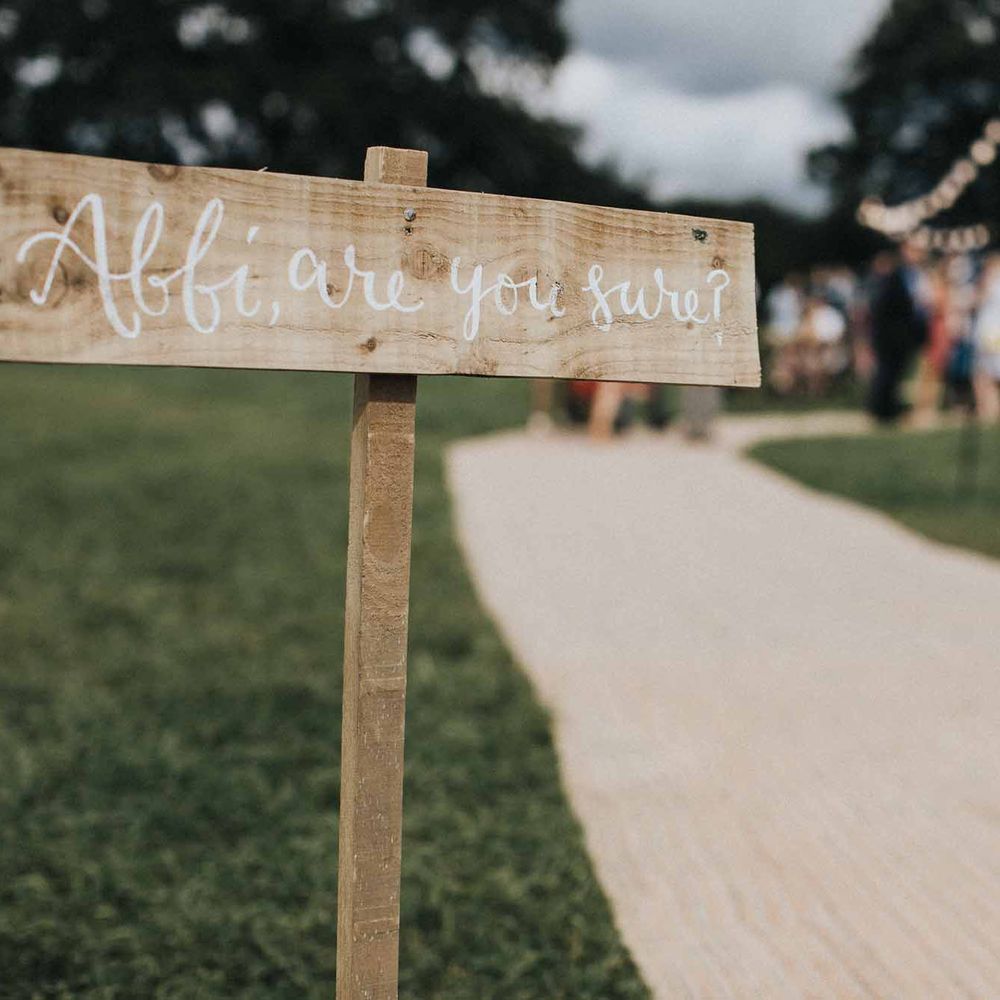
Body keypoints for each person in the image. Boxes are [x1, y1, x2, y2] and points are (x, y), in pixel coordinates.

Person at [867, 239, 932, 423]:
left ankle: (889, 408)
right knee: (887, 372)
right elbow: (885, 307)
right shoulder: (894, 275)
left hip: (906, 333)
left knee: (896, 373)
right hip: (891, 334)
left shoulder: (917, 275)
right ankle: (882, 410)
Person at [972, 254, 1000, 423]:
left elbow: (978, 301)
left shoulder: (990, 282)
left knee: (985, 375)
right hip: (991, 331)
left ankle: (988, 410)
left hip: (989, 332)